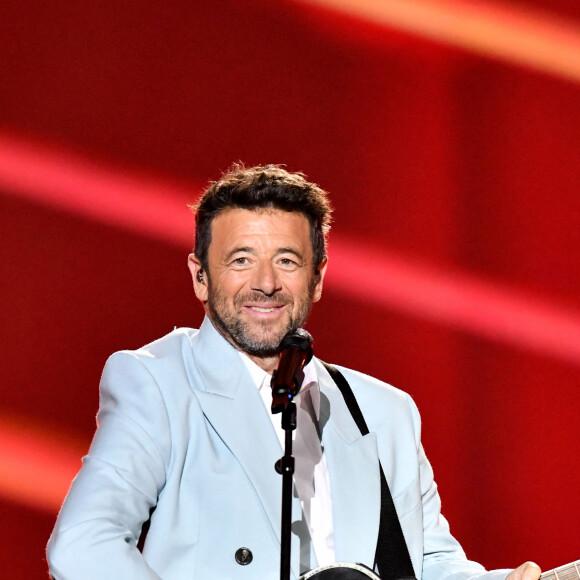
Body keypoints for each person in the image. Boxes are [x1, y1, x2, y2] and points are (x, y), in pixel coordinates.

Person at [47, 164, 541, 580]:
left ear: (318, 278)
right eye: (241, 260)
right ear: (200, 276)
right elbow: (83, 543)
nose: (265, 283)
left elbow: (430, 565)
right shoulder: (156, 382)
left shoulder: (384, 412)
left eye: (286, 260)